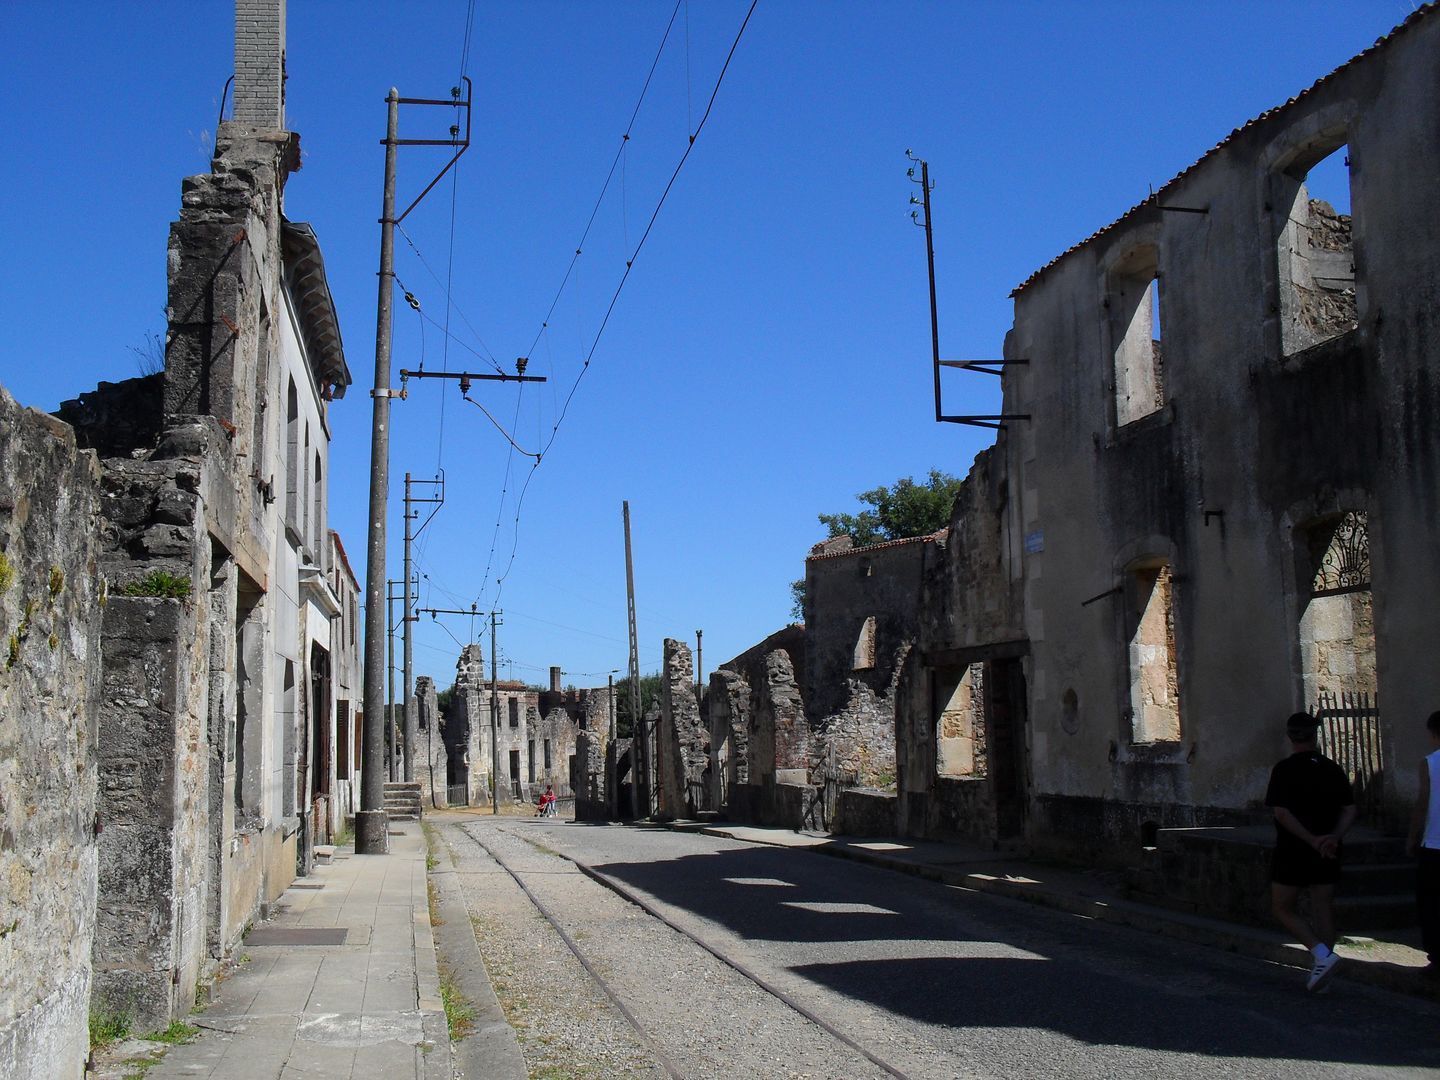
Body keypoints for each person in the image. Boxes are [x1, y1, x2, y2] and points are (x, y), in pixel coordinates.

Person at [1265, 711, 1357, 992]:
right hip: (1328, 849)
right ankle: (1324, 969)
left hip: (1294, 848)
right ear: (1315, 736)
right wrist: (1333, 837)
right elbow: (1350, 809)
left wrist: (1311, 839)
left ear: (1290, 737)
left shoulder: (1283, 769)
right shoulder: (1333, 769)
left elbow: (1281, 813)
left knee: (1282, 906)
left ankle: (1321, 955)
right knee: (1323, 908)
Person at [1406, 710, 1440, 980]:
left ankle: (1436, 956)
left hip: (1435, 843)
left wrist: (1412, 836)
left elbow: (1422, 803)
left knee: (1431, 903)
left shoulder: (1430, 763)